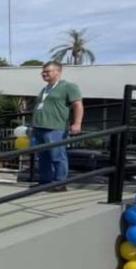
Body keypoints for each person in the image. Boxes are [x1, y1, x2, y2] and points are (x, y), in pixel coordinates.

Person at [31, 61, 83, 192]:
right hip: (39, 127)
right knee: (43, 157)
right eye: (43, 72)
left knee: (57, 156)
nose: (44, 74)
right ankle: (45, 181)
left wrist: (77, 123)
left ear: (58, 72)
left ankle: (60, 183)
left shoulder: (68, 86)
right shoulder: (45, 89)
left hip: (55, 128)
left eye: (47, 71)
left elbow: (77, 105)